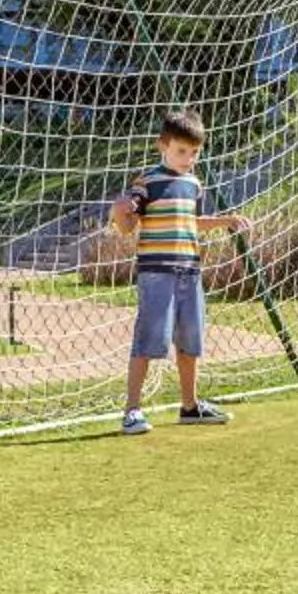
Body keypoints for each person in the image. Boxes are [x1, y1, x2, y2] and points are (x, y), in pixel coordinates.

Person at [110, 109, 248, 436]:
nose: (188, 158)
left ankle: (190, 406)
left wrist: (225, 220)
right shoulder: (148, 183)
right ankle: (132, 410)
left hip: (190, 271)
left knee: (190, 341)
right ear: (163, 146)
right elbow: (128, 226)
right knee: (149, 340)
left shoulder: (193, 184)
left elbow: (190, 222)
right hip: (157, 273)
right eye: (181, 151)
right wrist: (119, 212)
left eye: (195, 152)